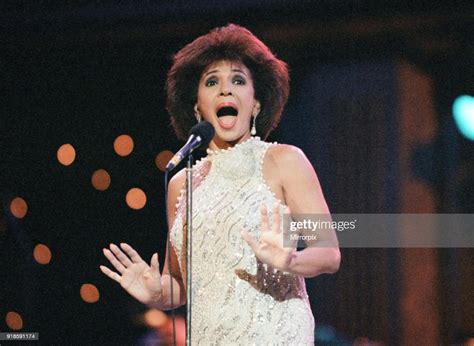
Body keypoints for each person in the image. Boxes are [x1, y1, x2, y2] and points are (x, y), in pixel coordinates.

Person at [100, 24, 340, 344]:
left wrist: (291, 260)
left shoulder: (285, 161)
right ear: (198, 106)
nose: (226, 90)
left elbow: (328, 253)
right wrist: (157, 293)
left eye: (238, 80)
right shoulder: (180, 183)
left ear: (255, 103)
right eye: (212, 81)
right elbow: (180, 285)